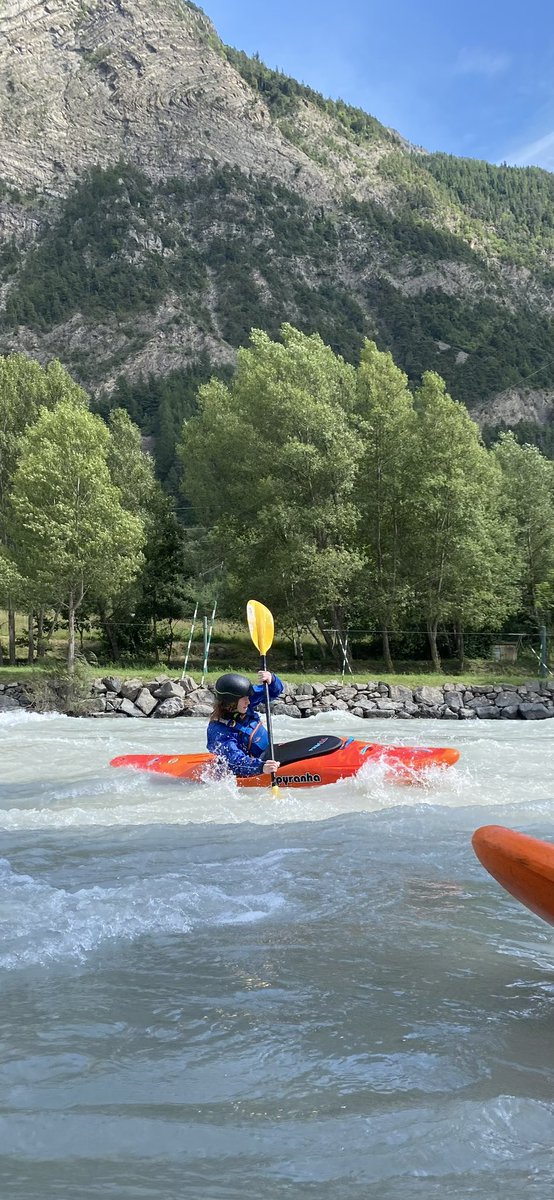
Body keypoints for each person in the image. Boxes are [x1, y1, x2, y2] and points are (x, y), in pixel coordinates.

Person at [207, 670, 283, 777]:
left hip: (268, 753)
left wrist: (272, 680)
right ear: (231, 702)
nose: (249, 702)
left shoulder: (244, 702)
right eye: (245, 699)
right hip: (253, 767)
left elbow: (273, 691)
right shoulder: (218, 731)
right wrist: (261, 767)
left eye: (248, 698)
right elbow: (234, 761)